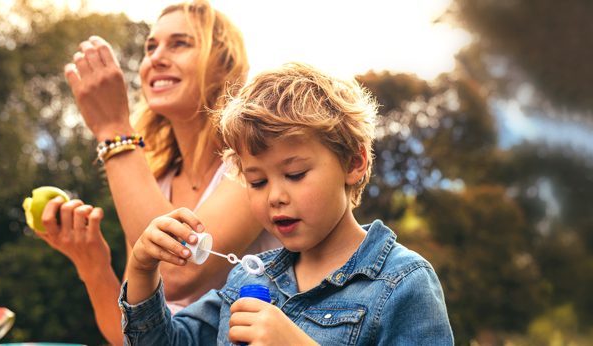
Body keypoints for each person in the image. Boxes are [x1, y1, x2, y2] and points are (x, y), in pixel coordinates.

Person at [119, 62, 454, 345]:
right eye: (257, 182)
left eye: (294, 174)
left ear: (354, 163)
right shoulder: (246, 280)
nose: (274, 196)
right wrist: (142, 269)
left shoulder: (404, 284)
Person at [36, 1, 280, 345]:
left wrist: (113, 130)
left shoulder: (252, 163)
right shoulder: (152, 181)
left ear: (222, 64)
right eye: (151, 47)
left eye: (180, 43)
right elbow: (132, 334)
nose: (156, 58)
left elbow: (181, 269)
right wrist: (92, 263)